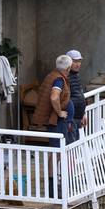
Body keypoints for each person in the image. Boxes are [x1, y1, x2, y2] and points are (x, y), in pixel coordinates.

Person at [32, 55, 72, 197]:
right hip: (57, 123)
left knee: (55, 154)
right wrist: (60, 112)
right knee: (57, 154)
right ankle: (53, 190)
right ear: (68, 68)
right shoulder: (58, 79)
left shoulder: (52, 75)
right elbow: (54, 97)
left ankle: (53, 188)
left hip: (58, 123)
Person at [66, 50, 88, 140]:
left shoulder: (76, 75)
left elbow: (79, 95)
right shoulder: (65, 77)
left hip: (78, 117)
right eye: (75, 61)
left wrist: (83, 113)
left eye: (79, 61)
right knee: (72, 146)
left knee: (77, 145)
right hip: (71, 118)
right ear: (68, 62)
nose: (78, 64)